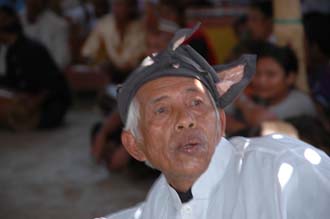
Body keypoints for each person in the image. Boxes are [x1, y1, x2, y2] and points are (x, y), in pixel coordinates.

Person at [95, 24, 330, 219]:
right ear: (135, 145)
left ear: (220, 123)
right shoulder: (162, 197)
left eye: (196, 103)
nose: (185, 120)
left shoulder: (282, 170)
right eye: (162, 110)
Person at [0, 5, 71, 130]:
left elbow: (54, 84)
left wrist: (35, 101)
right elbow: (14, 82)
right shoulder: (11, 52)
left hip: (50, 105)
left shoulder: (32, 49)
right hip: (29, 100)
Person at [225, 42, 317, 136]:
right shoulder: (255, 96)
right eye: (257, 73)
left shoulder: (299, 102)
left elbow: (262, 129)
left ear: (290, 78)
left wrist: (244, 104)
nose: (261, 81)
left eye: (271, 75)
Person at [20, 0, 70, 69]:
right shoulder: (16, 19)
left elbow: (61, 60)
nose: (32, 2)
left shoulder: (58, 25)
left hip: (45, 74)